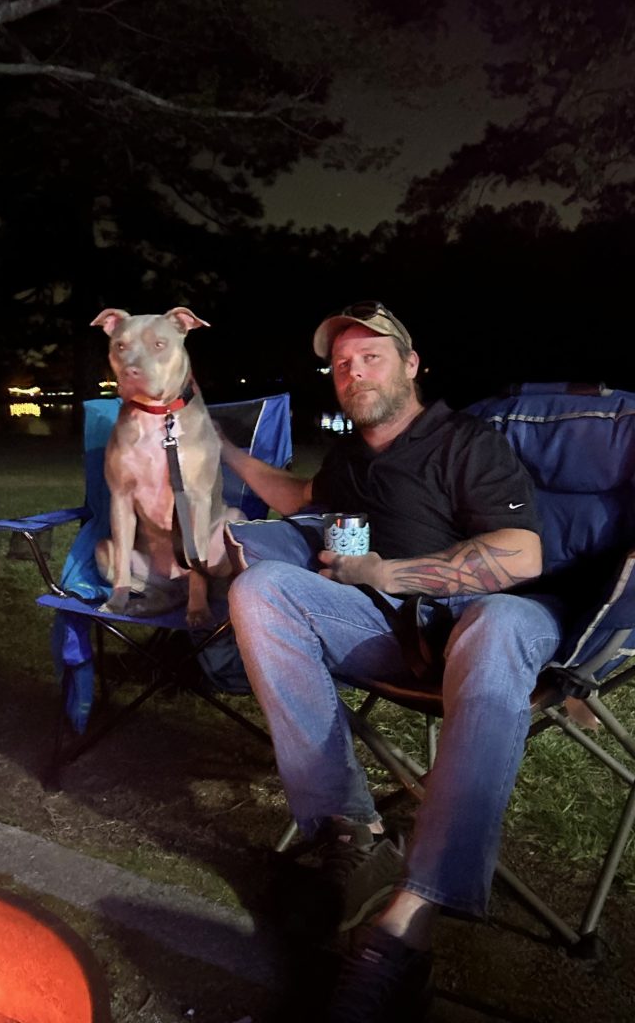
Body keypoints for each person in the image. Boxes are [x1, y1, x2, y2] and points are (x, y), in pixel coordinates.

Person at [219, 300, 565, 1022]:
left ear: (410, 365)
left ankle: (411, 920)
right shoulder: (349, 458)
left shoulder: (464, 441)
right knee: (260, 590)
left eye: (371, 355)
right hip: (393, 632)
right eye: (341, 362)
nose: (353, 370)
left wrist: (389, 573)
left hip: (489, 623)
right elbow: (295, 496)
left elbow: (524, 555)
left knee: (499, 627)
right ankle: (351, 831)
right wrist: (216, 447)